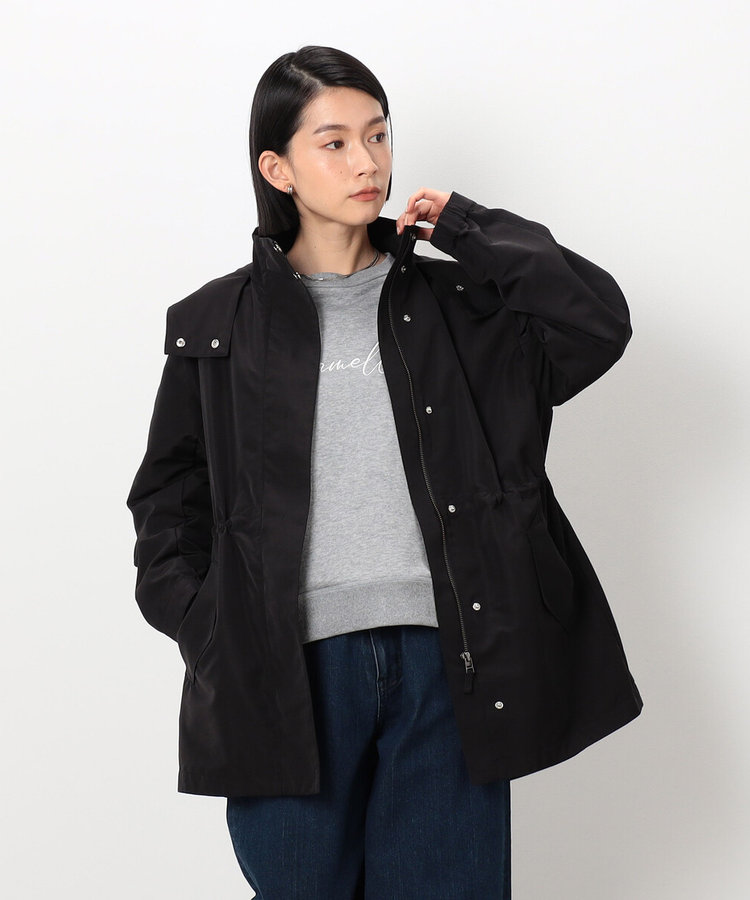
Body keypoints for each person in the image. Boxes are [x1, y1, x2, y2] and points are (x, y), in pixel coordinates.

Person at [126, 45, 643, 899]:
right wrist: (207, 623)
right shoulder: (218, 326)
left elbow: (596, 325)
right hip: (286, 672)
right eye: (333, 143)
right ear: (277, 168)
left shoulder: (459, 307)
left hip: (451, 659)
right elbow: (168, 500)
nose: (367, 162)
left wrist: (471, 230)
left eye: (377, 135)